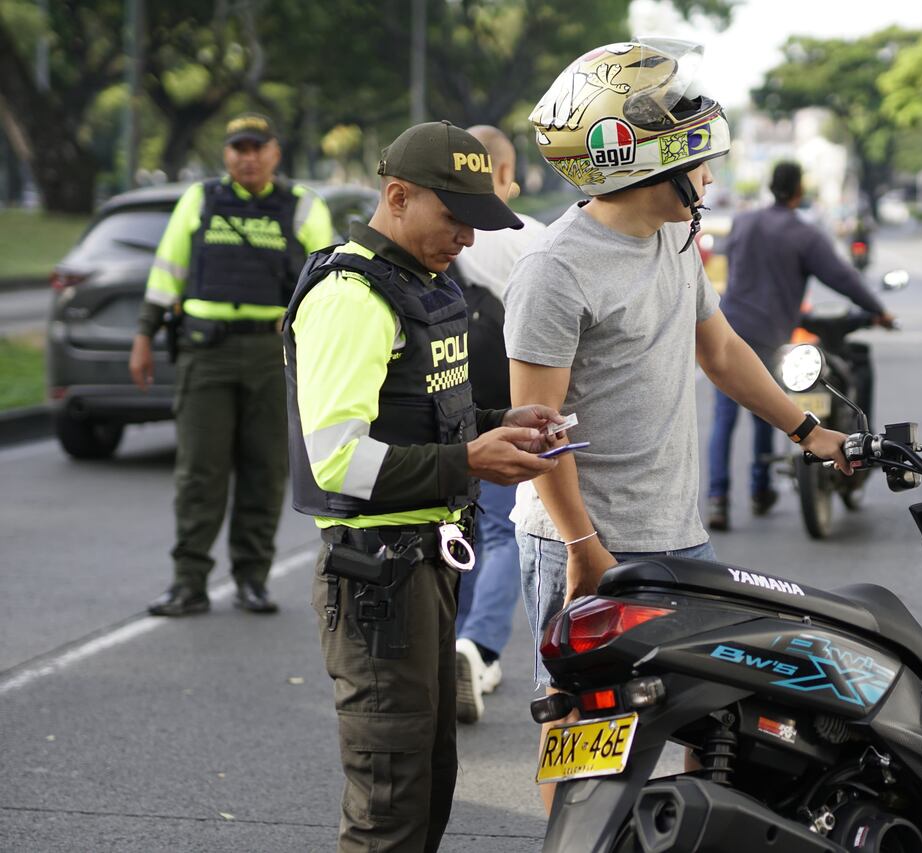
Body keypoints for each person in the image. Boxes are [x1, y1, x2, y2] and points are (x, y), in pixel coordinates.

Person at [506, 39, 853, 811]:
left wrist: (809, 432)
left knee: (711, 723)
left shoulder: (675, 235)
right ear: (635, 156)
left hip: (677, 533)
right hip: (583, 538)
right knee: (584, 737)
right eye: (694, 151)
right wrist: (581, 546)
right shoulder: (557, 269)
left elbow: (722, 350)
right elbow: (538, 430)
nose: (708, 170)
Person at [284, 120, 562, 852]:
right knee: (390, 809)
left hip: (425, 566)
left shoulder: (424, 285)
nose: (468, 239)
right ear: (398, 196)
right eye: (456, 218)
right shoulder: (352, 297)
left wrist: (508, 422)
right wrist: (470, 460)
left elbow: (430, 417)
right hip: (376, 580)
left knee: (429, 784)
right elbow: (336, 462)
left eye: (478, 221)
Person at [130, 113, 334, 617]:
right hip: (208, 354)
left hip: (271, 356)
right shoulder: (199, 201)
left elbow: (327, 282)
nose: (246, 156)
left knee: (263, 471)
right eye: (237, 148)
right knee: (200, 472)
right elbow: (167, 272)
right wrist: (142, 335)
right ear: (226, 154)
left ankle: (252, 580)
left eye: (256, 147)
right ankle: (188, 582)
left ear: (274, 153)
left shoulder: (303, 207)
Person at [707, 161, 893, 530]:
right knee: (766, 406)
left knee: (723, 420)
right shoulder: (802, 234)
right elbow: (841, 277)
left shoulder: (743, 222)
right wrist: (878, 310)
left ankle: (718, 499)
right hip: (769, 334)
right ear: (798, 192)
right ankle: (760, 489)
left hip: (727, 327)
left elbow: (730, 264)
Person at [449, 125, 549, 724]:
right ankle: (478, 645)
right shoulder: (532, 240)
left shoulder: (441, 234)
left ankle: (453, 645)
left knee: (453, 533)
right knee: (504, 533)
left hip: (441, 402)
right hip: (506, 405)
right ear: (506, 174)